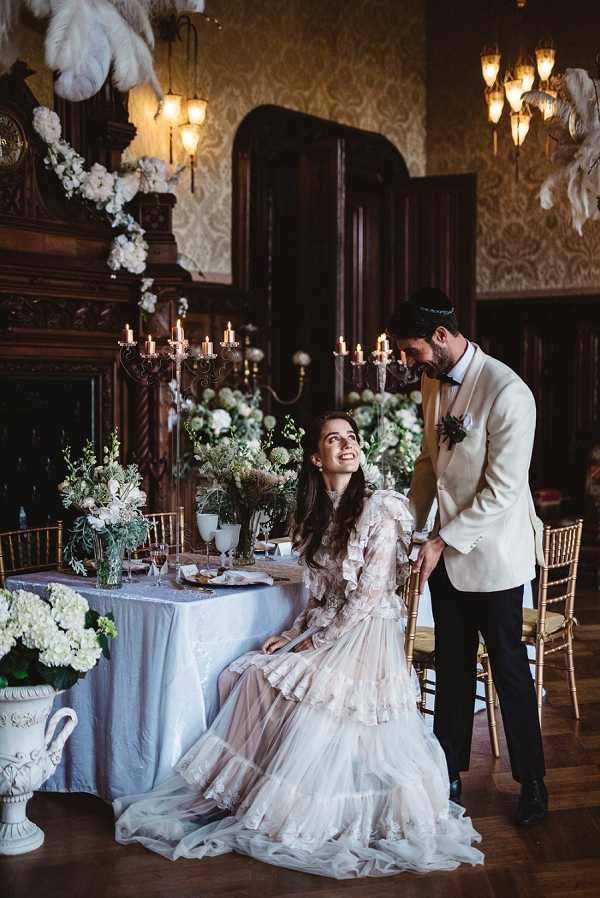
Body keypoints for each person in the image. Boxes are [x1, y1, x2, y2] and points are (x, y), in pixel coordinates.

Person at [114, 412, 483, 878]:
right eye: (334, 440)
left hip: (366, 638)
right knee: (245, 673)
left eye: (352, 437)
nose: (348, 445)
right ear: (316, 457)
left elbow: (366, 600)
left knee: (278, 683)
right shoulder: (314, 515)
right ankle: (245, 792)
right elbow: (322, 597)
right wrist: (292, 635)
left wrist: (314, 645)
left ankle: (294, 803)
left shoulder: (383, 509)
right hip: (333, 627)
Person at [388, 287, 547, 827]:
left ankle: (533, 782)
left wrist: (442, 540)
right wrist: (408, 526)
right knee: (453, 669)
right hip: (445, 557)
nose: (409, 364)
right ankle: (447, 770)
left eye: (412, 352)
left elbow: (502, 492)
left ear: (440, 335)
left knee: (509, 671)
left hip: (495, 557)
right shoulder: (432, 386)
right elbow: (430, 464)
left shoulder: (508, 393)